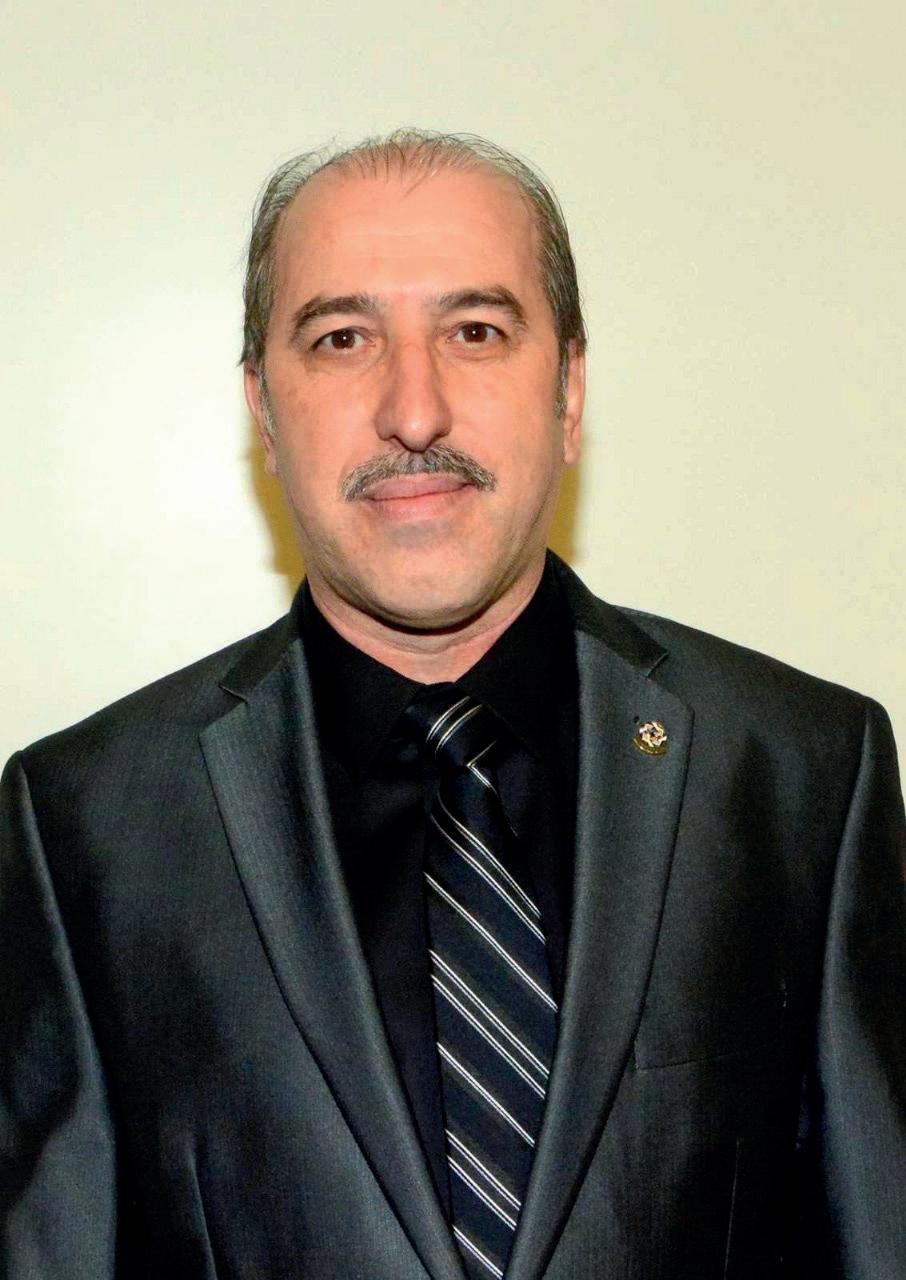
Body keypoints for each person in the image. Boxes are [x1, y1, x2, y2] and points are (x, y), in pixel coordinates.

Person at [1, 129, 904, 1280]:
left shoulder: (802, 776)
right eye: (342, 338)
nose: (414, 411)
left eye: (475, 330)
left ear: (569, 392)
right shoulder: (85, 824)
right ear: (264, 413)